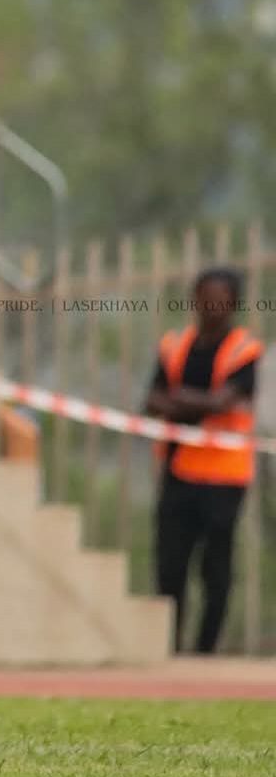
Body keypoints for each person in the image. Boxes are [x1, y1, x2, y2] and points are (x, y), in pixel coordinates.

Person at [144, 267, 263, 655]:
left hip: (224, 474)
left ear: (233, 303)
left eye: (220, 298)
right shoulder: (174, 345)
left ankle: (205, 649)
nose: (211, 305)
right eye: (204, 296)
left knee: (215, 567)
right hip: (178, 469)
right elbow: (151, 399)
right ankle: (168, 646)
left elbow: (222, 401)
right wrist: (196, 403)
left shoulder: (244, 350)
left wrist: (180, 400)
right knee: (170, 564)